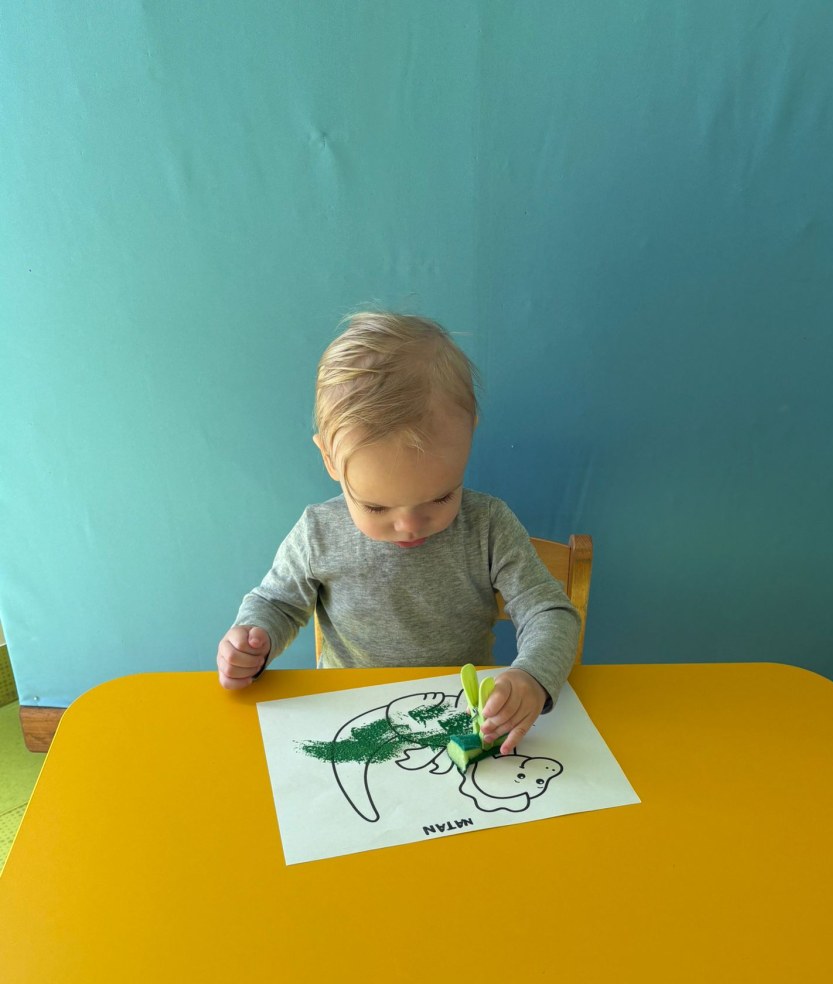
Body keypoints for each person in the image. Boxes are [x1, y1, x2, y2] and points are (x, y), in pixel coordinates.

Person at [216, 312, 580, 753]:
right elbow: (276, 603)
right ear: (329, 459)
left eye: (440, 498)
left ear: (469, 438)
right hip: (349, 719)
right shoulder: (318, 533)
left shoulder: (488, 526)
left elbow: (550, 612)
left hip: (459, 717)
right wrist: (254, 638)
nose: (408, 526)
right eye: (376, 507)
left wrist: (532, 676)